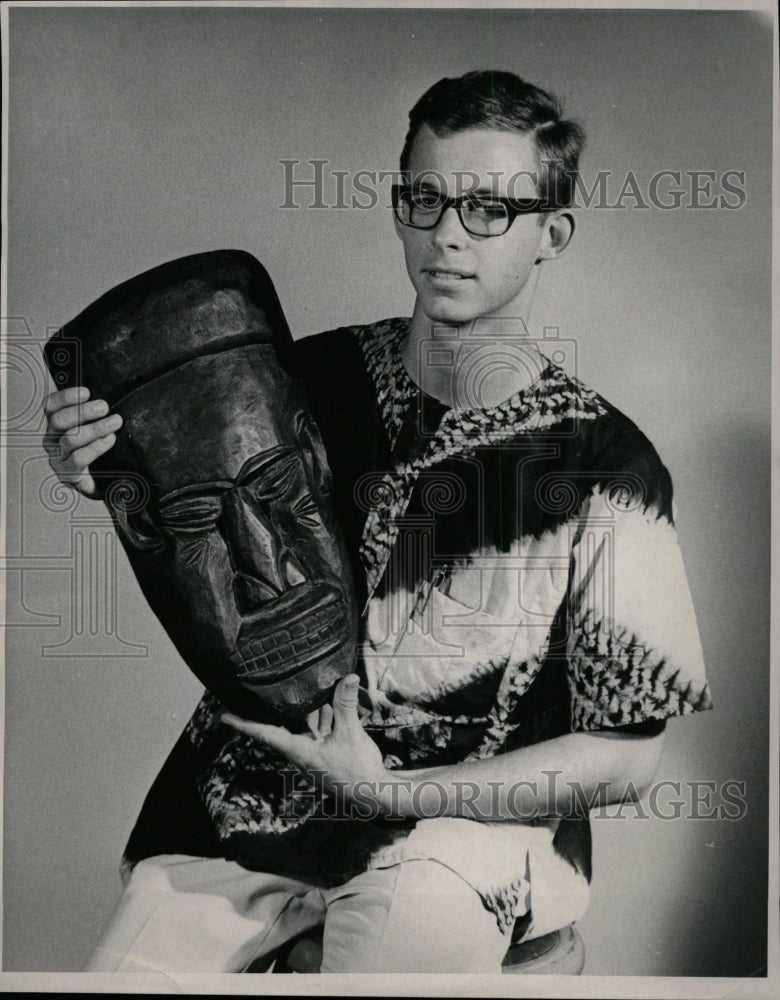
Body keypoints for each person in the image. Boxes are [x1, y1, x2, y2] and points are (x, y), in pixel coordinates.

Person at [42, 70, 712, 974]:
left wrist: (396, 792)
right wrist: (94, 462)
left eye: (489, 211)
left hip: (456, 829)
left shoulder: (608, 470)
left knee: (403, 949)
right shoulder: (294, 380)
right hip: (249, 807)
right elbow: (182, 506)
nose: (446, 236)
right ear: (398, 209)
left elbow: (626, 760)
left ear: (553, 233)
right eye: (426, 199)